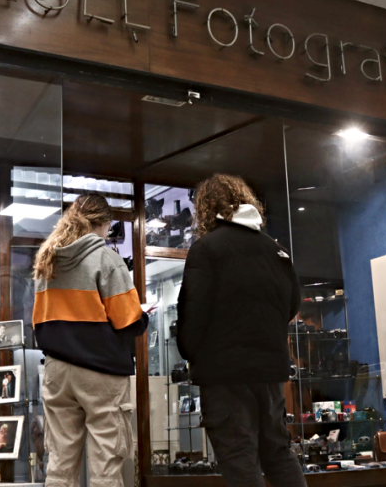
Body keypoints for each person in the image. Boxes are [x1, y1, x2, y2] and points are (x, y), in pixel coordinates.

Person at [177, 174, 306, 487]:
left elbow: (192, 316)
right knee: (278, 453)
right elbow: (292, 306)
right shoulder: (278, 253)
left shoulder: (206, 250)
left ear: (206, 209)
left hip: (225, 375)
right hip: (271, 373)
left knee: (239, 457)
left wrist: (193, 355)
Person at [33, 194, 148, 487]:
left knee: (59, 466)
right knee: (106, 466)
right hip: (101, 371)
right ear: (105, 224)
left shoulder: (47, 258)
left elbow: (40, 320)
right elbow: (128, 322)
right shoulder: (106, 259)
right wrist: (142, 315)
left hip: (57, 370)